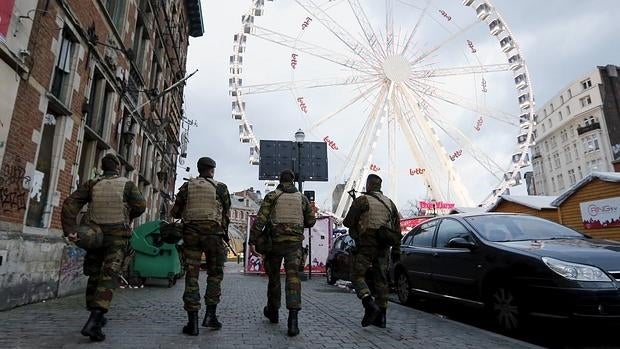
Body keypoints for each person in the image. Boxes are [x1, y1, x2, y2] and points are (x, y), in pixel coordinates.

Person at [61, 153, 146, 342]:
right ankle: (94, 322)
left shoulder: (93, 183)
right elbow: (141, 206)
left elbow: (70, 203)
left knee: (94, 273)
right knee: (109, 275)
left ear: (102, 167)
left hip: (95, 234)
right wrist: (128, 214)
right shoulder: (127, 184)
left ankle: (95, 314)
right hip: (116, 236)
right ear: (117, 167)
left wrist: (70, 229)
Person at [249, 169, 316, 337]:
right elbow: (311, 221)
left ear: (280, 180)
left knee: (274, 279)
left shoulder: (272, 196)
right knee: (293, 279)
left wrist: (252, 241)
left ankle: (273, 311)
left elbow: (260, 220)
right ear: (293, 180)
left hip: (274, 244)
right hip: (294, 245)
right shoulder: (302, 198)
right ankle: (293, 322)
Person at [171, 157, 231, 336]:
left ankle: (193, 323)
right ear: (212, 170)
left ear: (198, 169)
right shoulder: (220, 188)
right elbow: (226, 210)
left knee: (192, 276)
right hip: (213, 236)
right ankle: (210, 316)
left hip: (191, 236)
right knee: (214, 275)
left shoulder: (187, 187)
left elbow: (175, 212)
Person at [343, 174, 400, 328]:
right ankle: (381, 318)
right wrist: (396, 250)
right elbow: (397, 229)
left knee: (356, 275)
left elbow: (347, 222)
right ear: (380, 186)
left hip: (366, 245)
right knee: (381, 280)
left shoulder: (362, 200)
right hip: (383, 247)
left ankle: (369, 303)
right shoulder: (390, 203)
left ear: (368, 185)